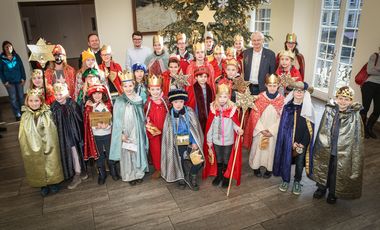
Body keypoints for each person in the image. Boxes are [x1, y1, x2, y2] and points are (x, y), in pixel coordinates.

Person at [312, 86, 364, 204]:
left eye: (346, 99)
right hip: (327, 146)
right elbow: (322, 129)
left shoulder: (354, 116)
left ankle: (333, 192)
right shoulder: (329, 110)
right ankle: (321, 188)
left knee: (337, 172)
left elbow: (357, 137)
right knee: (324, 167)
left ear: (351, 101)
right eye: (340, 98)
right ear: (336, 98)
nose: (343, 102)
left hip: (343, 150)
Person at [19, 88, 63, 197]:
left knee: (51, 160)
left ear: (41, 101)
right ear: (27, 102)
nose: (34, 103)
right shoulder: (25, 115)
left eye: (36, 101)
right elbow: (22, 134)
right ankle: (42, 184)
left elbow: (52, 129)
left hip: (49, 143)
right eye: (31, 101)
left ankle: (53, 182)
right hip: (32, 145)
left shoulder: (47, 112)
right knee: (36, 163)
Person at [273, 81, 315, 195]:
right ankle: (285, 180)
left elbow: (309, 128)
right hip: (288, 141)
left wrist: (302, 142)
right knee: (286, 160)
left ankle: (297, 181)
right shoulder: (287, 107)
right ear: (293, 92)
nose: (299, 93)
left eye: (301, 91)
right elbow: (284, 126)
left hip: (301, 142)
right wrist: (290, 141)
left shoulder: (308, 108)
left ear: (305, 93)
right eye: (296, 90)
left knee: (300, 163)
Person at [109, 70, 149, 185]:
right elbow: (116, 120)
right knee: (127, 153)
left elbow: (142, 116)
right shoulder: (119, 101)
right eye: (125, 86)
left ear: (134, 85)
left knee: (136, 151)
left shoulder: (138, 99)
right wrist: (121, 133)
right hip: (125, 131)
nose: (128, 88)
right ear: (122, 87)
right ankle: (129, 175)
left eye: (130, 85)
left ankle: (138, 173)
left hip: (136, 130)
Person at [161, 89, 204, 191]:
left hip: (190, 142)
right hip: (177, 143)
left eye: (181, 101)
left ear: (184, 101)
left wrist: (194, 142)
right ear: (172, 102)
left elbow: (195, 128)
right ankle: (181, 176)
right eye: (176, 102)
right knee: (178, 160)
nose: (178, 104)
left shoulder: (189, 112)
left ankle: (192, 175)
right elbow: (168, 132)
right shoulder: (169, 115)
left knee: (198, 161)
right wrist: (172, 144)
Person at [243, 74, 285, 179]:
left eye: (274, 85)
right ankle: (255, 166)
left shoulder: (281, 100)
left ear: (278, 85)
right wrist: (261, 129)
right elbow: (254, 115)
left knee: (271, 150)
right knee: (257, 148)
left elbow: (282, 118)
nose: (272, 87)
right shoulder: (260, 97)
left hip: (273, 132)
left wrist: (271, 131)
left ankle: (269, 168)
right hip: (260, 130)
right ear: (266, 85)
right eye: (270, 85)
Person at [203, 83, 244, 187]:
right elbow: (210, 126)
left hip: (228, 140)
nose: (222, 99)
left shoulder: (232, 108)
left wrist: (239, 129)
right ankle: (219, 175)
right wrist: (209, 140)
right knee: (219, 158)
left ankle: (226, 176)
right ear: (216, 96)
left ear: (229, 97)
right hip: (216, 140)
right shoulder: (213, 108)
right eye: (220, 96)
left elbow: (235, 124)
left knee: (226, 158)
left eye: (225, 96)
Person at [51, 82, 87, 190]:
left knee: (75, 152)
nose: (58, 97)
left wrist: (76, 134)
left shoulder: (72, 104)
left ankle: (78, 173)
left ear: (66, 93)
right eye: (56, 95)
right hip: (62, 135)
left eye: (61, 94)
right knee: (67, 153)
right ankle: (72, 171)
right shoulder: (54, 107)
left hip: (73, 134)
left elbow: (79, 119)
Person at [83, 84, 114, 185]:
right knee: (99, 155)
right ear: (91, 95)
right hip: (96, 136)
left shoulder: (107, 105)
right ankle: (102, 174)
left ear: (103, 94)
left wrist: (107, 125)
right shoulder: (89, 107)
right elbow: (87, 122)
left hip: (108, 134)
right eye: (95, 94)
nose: (97, 96)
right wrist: (95, 126)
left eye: (99, 93)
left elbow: (112, 118)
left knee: (110, 153)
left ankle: (113, 171)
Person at [144, 74, 169, 179]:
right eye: (153, 89)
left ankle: (167, 166)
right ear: (149, 90)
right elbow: (145, 116)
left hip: (165, 129)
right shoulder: (148, 103)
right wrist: (148, 122)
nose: (155, 92)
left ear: (161, 89)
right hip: (154, 131)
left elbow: (169, 112)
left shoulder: (165, 101)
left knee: (166, 148)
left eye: (157, 89)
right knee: (156, 150)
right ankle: (158, 168)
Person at [0, 41, 26, 121]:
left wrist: (23, 78)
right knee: (13, 98)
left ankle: (24, 113)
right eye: (6, 47)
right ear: (4, 49)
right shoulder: (1, 58)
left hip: (19, 80)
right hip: (9, 82)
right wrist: (5, 81)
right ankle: (17, 114)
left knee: (21, 98)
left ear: (12, 47)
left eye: (10, 46)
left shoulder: (16, 56)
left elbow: (21, 67)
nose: (8, 48)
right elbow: (0, 71)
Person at [187, 66, 215, 132]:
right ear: (196, 77)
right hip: (197, 111)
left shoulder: (209, 88)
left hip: (207, 110)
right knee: (198, 128)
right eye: (201, 76)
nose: (203, 78)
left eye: (205, 77)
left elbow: (213, 100)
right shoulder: (192, 88)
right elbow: (190, 102)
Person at [360, 51, 380, 139]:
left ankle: (369, 128)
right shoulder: (375, 56)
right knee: (365, 108)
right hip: (369, 85)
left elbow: (374, 70)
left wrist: (377, 69)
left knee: (378, 110)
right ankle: (361, 129)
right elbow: (369, 70)